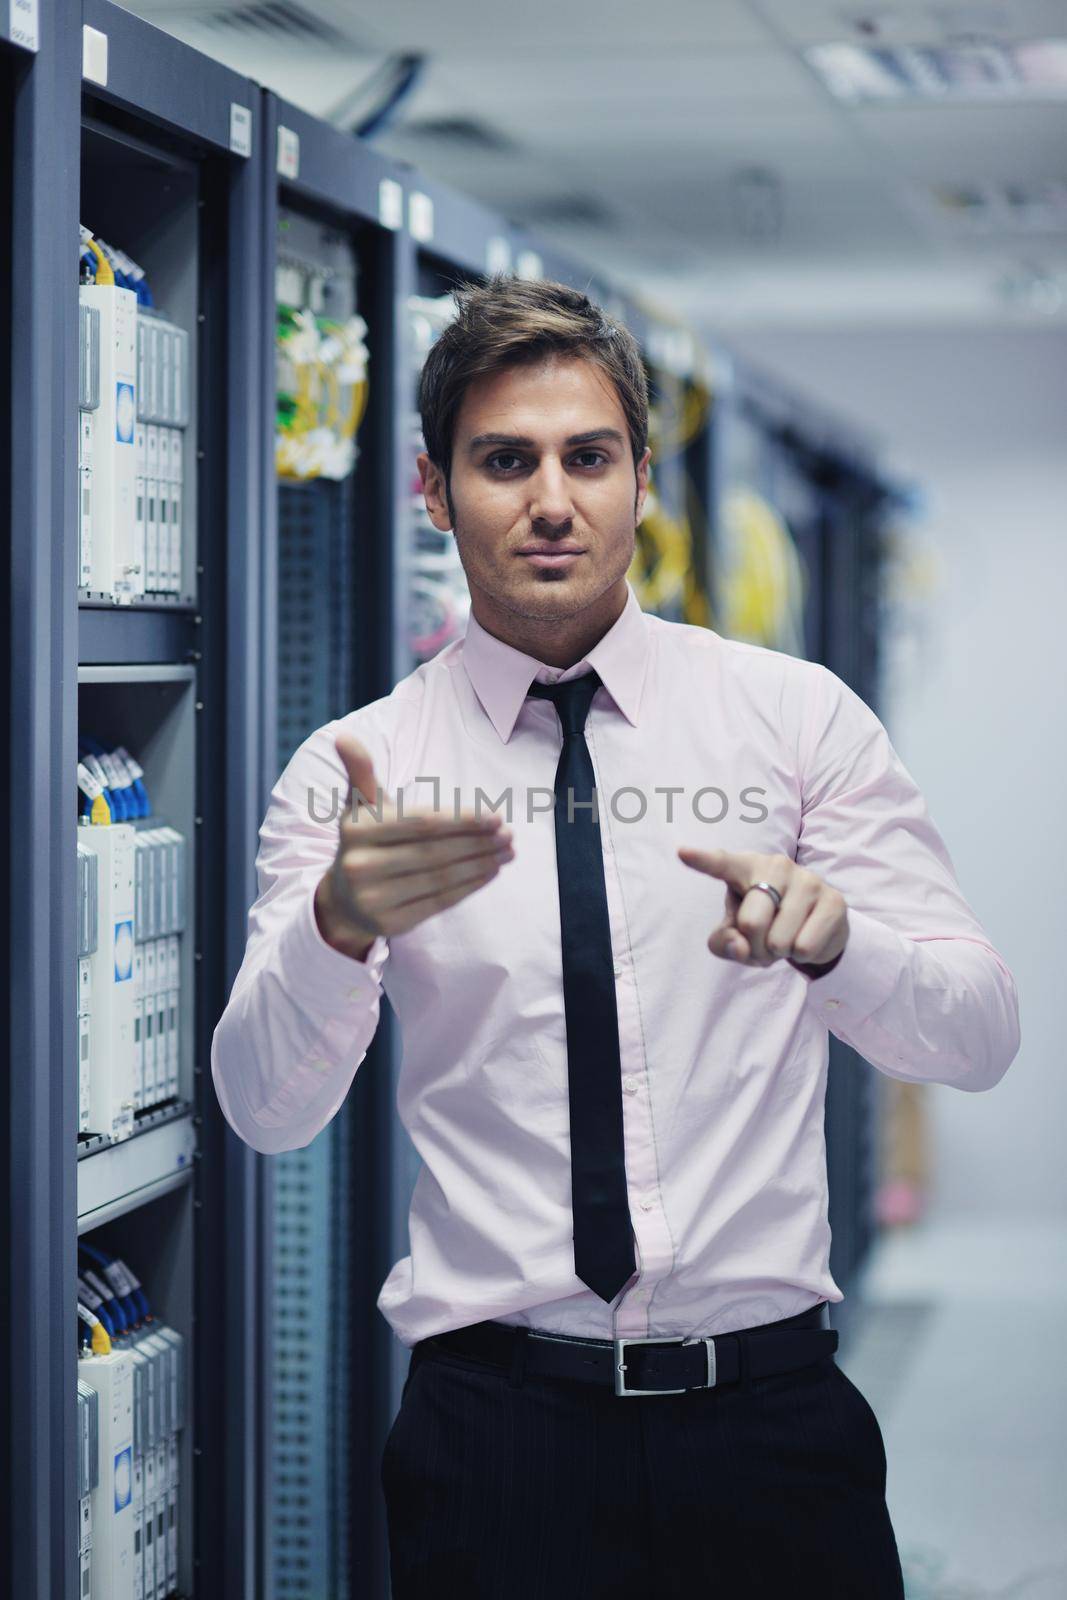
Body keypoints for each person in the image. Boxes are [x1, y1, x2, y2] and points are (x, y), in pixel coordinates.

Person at [210, 275, 1021, 1597]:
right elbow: (260, 1109)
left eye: (589, 457)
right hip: (495, 1440)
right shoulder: (358, 767)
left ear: (643, 478)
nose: (550, 500)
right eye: (503, 461)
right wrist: (334, 928)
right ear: (432, 489)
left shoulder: (794, 722)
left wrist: (842, 948)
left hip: (769, 1425)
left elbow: (982, 1033)